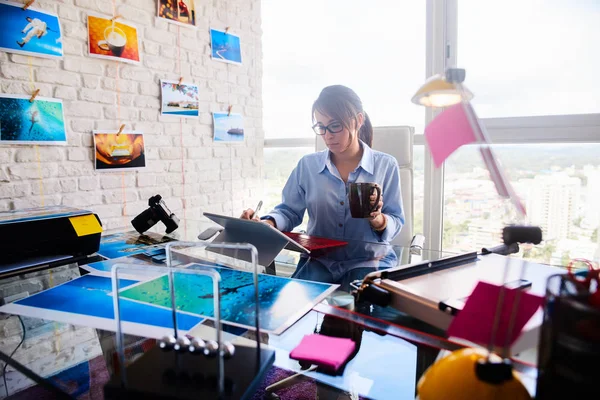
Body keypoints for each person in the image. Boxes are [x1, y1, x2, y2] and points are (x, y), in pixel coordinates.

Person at [241, 85, 404, 285]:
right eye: (321, 127)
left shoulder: (385, 165)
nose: (328, 135)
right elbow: (289, 211)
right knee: (294, 309)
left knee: (361, 309)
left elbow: (396, 220)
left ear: (358, 120)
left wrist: (378, 219)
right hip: (320, 261)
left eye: (335, 125)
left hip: (369, 260)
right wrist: (268, 224)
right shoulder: (308, 166)